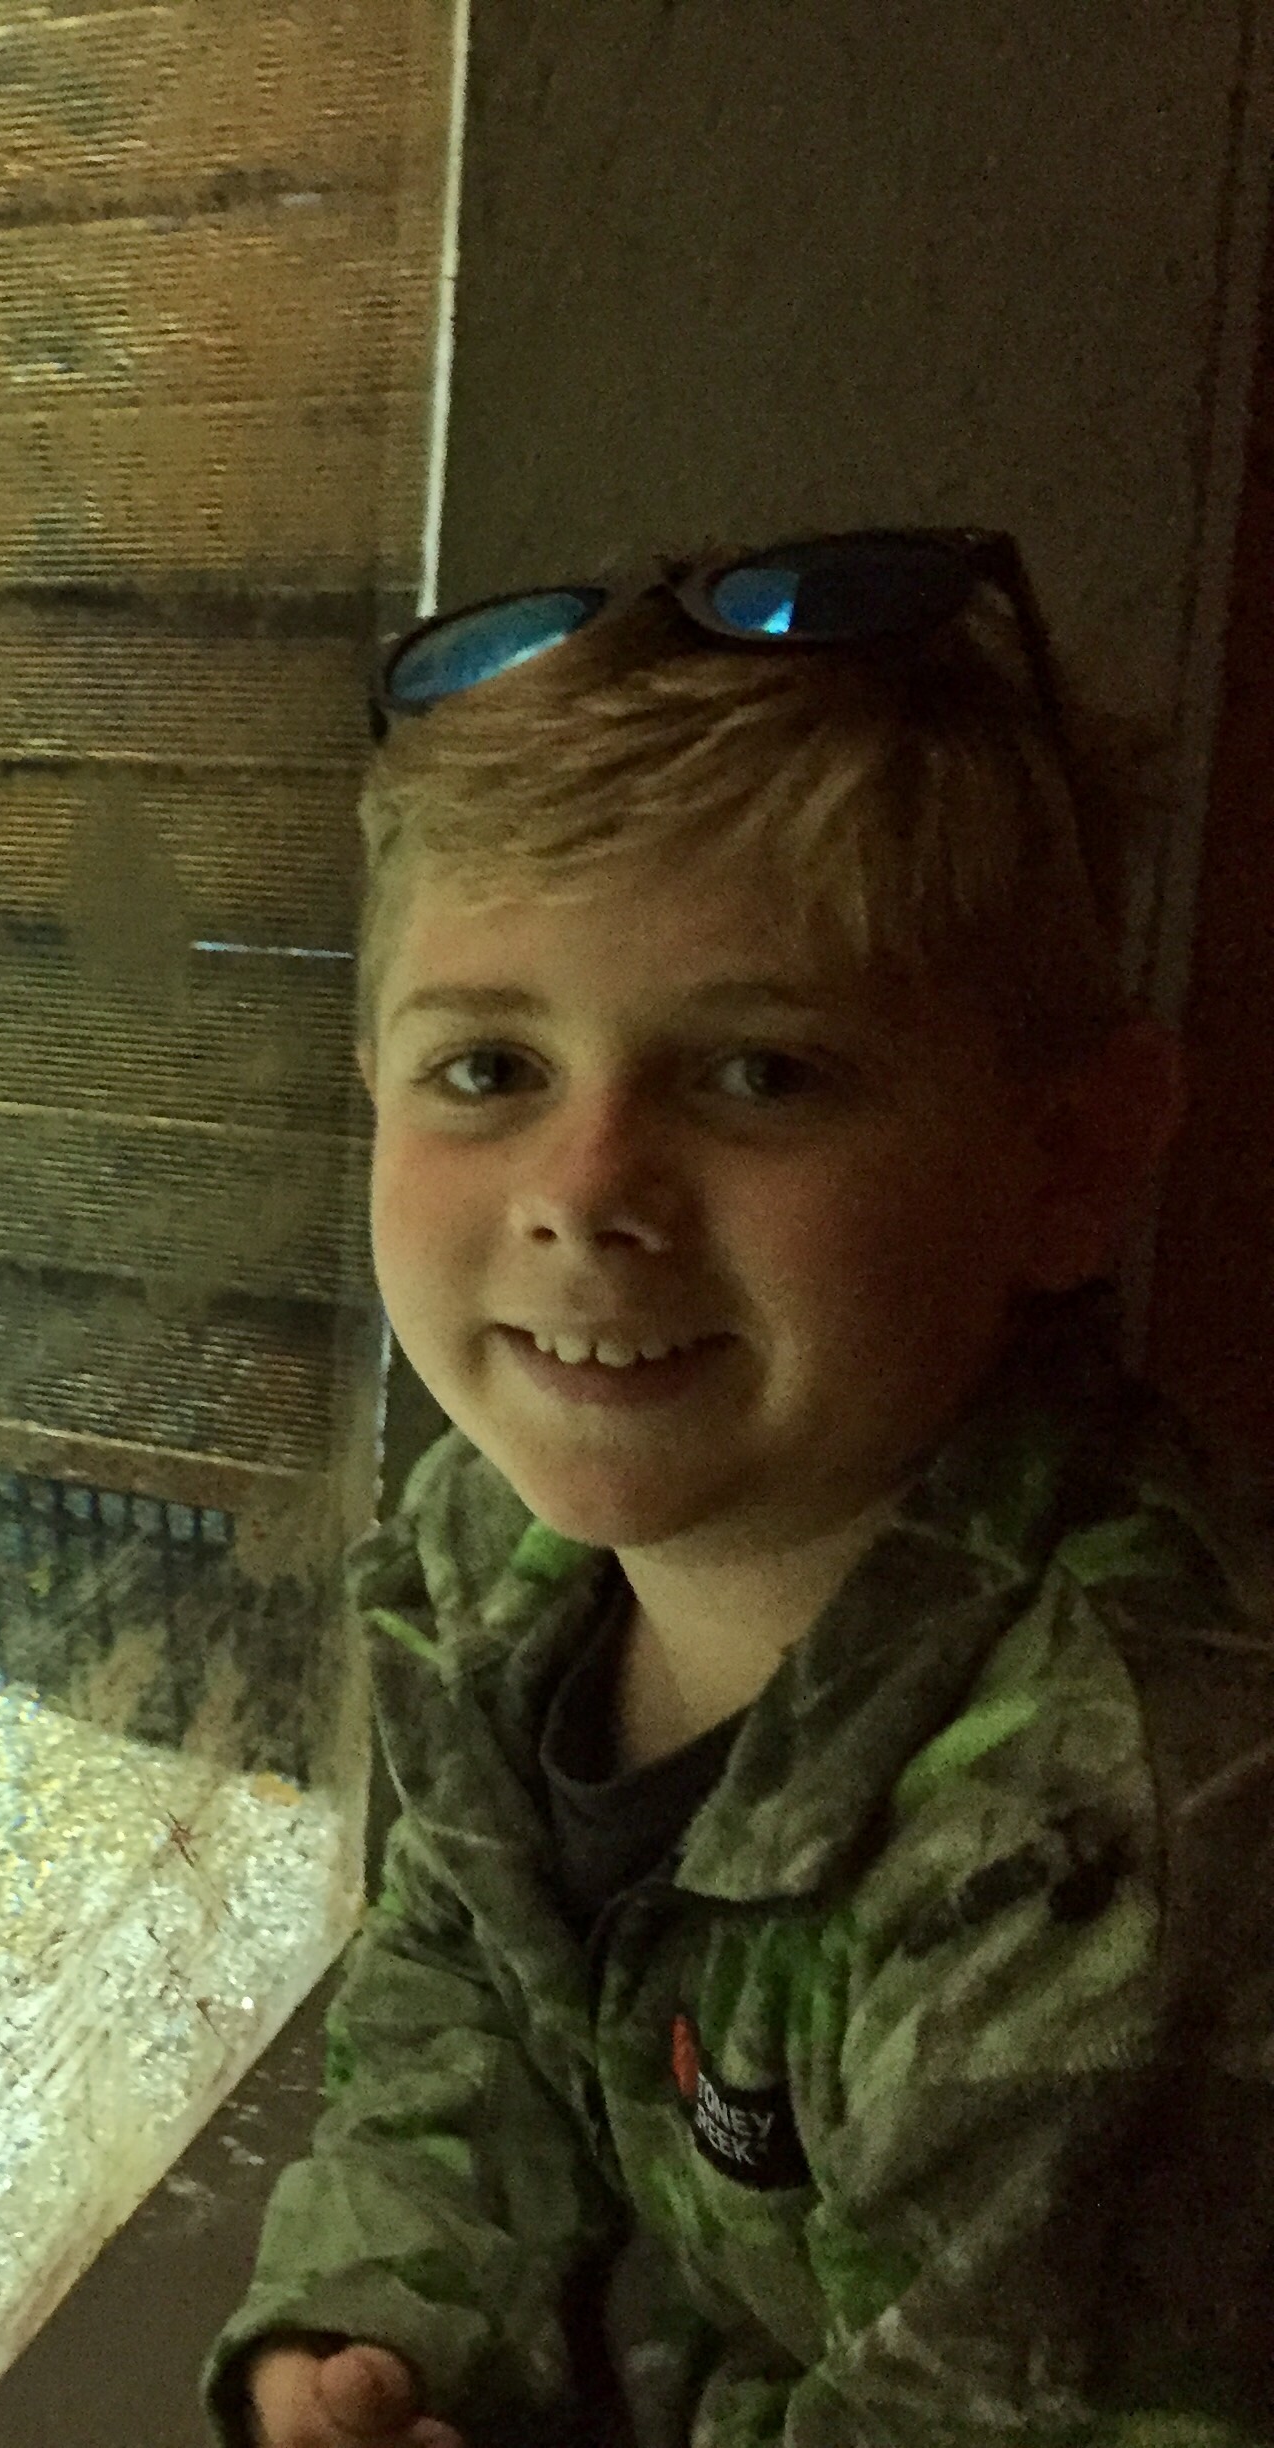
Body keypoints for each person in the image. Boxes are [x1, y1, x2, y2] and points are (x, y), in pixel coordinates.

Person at [203, 531, 1274, 2447]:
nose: (586, 1189)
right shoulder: (491, 1552)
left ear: (1070, 1160)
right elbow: (466, 2004)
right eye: (489, 1068)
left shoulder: (1102, 1853)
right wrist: (370, 2331)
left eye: (762, 1074)